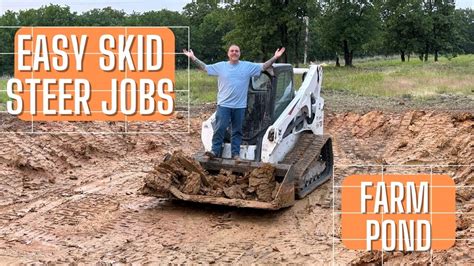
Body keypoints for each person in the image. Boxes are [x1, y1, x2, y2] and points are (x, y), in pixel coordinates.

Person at [183, 44, 285, 159]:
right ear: (228, 53)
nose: (234, 53)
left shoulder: (247, 66)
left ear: (239, 53)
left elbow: (264, 66)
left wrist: (275, 57)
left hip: (240, 106)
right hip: (224, 105)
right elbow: (205, 67)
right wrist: (192, 57)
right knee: (220, 128)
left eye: (237, 51)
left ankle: (235, 154)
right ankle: (214, 151)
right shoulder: (221, 66)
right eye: (232, 51)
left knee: (237, 131)